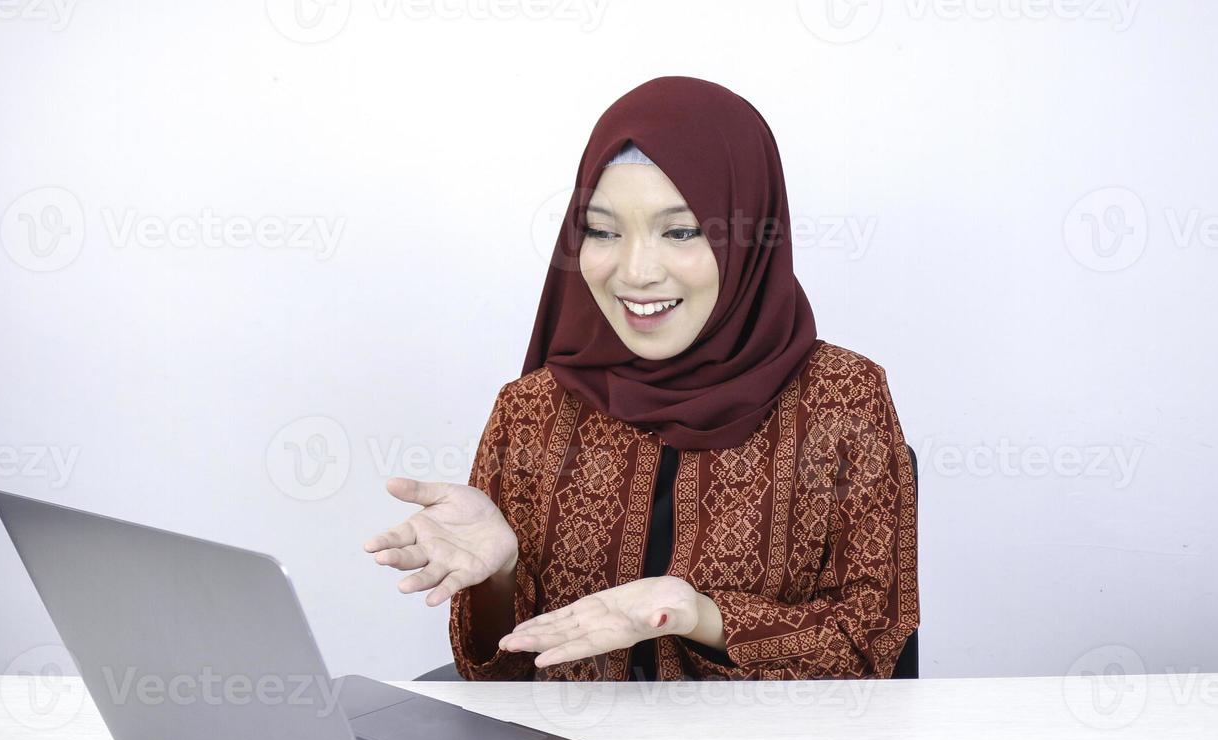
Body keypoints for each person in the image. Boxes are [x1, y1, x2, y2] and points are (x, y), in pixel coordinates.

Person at [363, 76, 918, 682]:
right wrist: (499, 577)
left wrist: (697, 616)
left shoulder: (843, 398)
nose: (635, 271)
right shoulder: (532, 411)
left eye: (680, 231)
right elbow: (501, 684)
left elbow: (871, 651)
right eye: (602, 231)